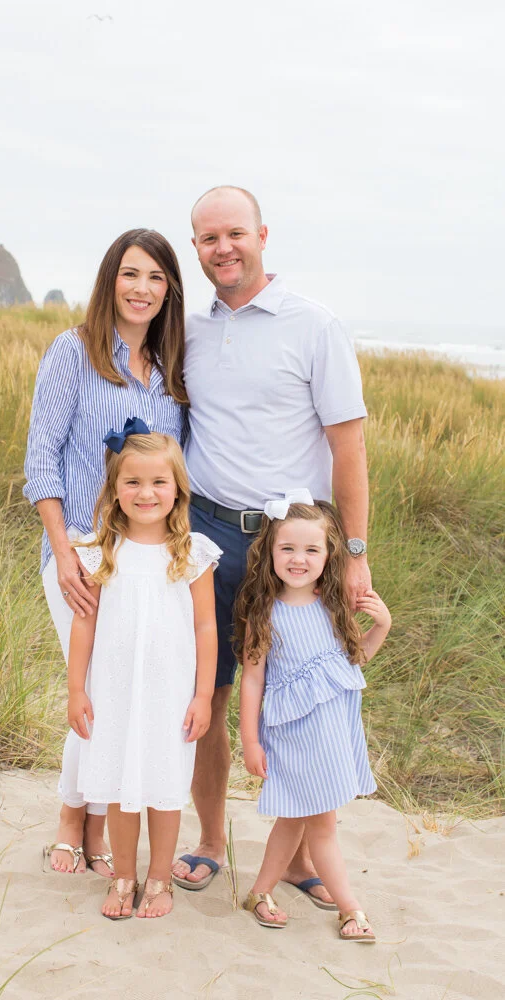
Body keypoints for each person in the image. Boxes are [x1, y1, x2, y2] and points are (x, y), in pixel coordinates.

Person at [173, 185, 371, 906]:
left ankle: (296, 857)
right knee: (211, 693)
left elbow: (347, 447)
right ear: (196, 248)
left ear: (261, 235)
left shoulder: (314, 325)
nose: (222, 248)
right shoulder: (186, 329)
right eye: (208, 238)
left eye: (234, 233)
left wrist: (353, 553)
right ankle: (210, 841)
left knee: (301, 699)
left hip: (294, 550)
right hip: (207, 535)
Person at [23, 229, 188, 878]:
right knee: (93, 686)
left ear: (169, 289)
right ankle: (74, 817)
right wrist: (63, 551)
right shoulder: (74, 351)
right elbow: (42, 458)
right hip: (82, 550)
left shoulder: (172, 372)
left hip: (147, 560)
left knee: (123, 689)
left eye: (155, 277)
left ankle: (98, 819)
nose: (141, 288)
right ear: (109, 280)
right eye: (130, 274)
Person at [67, 426, 220, 919]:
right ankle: (124, 877)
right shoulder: (101, 551)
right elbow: (84, 625)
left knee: (163, 784)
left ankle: (158, 879)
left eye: (158, 482)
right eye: (132, 482)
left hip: (169, 694)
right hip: (114, 692)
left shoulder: (193, 552)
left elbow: (205, 628)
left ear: (177, 489)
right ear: (115, 489)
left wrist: (202, 696)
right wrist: (76, 689)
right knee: (119, 785)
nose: (146, 493)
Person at [235, 491, 391, 939]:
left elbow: (352, 663)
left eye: (310, 549)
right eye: (287, 548)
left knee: (294, 820)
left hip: (332, 734)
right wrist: (250, 741)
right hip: (293, 738)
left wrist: (382, 625)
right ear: (270, 551)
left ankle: (260, 892)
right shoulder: (265, 613)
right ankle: (350, 909)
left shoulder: (332, 605)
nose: (298, 559)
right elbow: (252, 680)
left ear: (328, 555)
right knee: (322, 826)